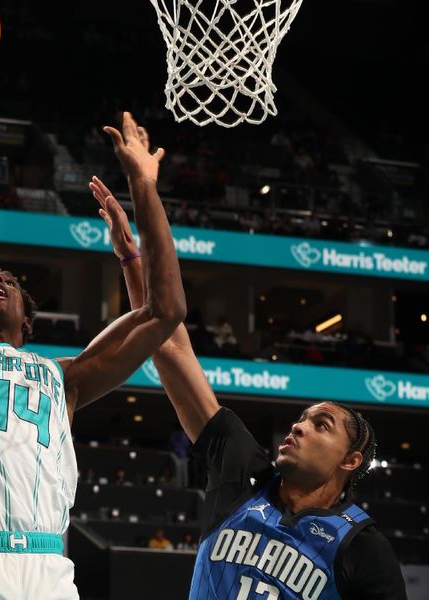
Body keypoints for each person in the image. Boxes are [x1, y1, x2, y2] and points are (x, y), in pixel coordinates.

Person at [0, 65, 185, 599]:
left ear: (28, 318)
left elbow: (166, 311)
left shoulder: (64, 379)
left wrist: (141, 198)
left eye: (8, 281)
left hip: (49, 570)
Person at [92, 168, 408, 599]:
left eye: (322, 425)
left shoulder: (364, 547)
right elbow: (171, 349)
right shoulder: (242, 473)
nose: (298, 426)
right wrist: (132, 259)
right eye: (302, 419)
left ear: (350, 461)